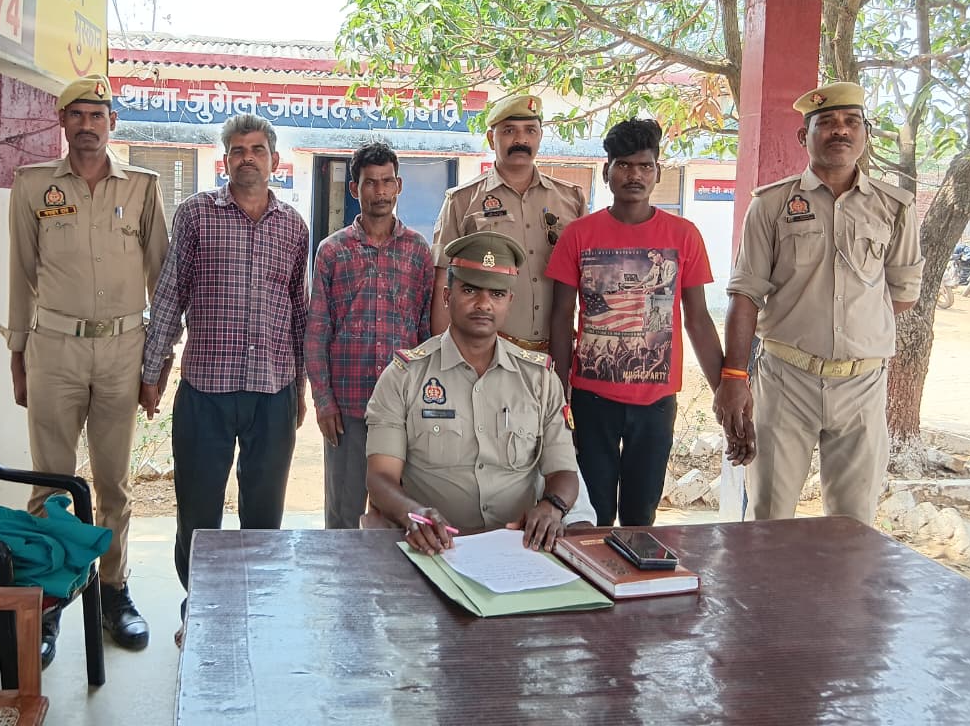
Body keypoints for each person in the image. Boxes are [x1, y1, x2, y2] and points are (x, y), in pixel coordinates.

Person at [4, 73, 167, 663]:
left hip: (124, 350)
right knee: (50, 484)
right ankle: (48, 601)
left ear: (112, 123)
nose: (87, 125)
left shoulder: (143, 188)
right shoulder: (33, 187)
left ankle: (114, 593)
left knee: (114, 484)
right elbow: (21, 274)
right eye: (77, 114)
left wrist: (157, 363)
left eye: (98, 115)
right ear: (62, 121)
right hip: (54, 350)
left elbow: (162, 279)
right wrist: (17, 354)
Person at [714, 82, 923, 525]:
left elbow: (901, 295)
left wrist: (852, 330)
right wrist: (733, 377)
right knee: (769, 518)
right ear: (803, 136)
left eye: (851, 122)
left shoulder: (894, 208)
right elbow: (745, 294)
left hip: (862, 385)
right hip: (786, 379)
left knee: (853, 526)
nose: (840, 131)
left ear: (865, 133)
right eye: (826, 122)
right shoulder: (771, 205)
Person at [139, 113, 309, 632]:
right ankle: (200, 610)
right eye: (238, 150)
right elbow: (170, 293)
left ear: (274, 160)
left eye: (257, 150)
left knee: (264, 514)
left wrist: (300, 387)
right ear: (225, 159)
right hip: (205, 390)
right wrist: (153, 369)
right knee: (198, 512)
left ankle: (256, 612)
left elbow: (298, 310)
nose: (248, 158)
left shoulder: (293, 226)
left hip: (272, 390)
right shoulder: (196, 215)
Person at [365, 231, 595, 556]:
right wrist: (413, 514)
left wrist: (552, 507)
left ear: (509, 301)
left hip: (521, 547)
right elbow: (380, 478)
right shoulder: (404, 377)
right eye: (470, 290)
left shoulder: (539, 379)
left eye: (497, 294)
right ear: (447, 296)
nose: (484, 304)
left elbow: (564, 471)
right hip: (435, 547)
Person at [546, 118, 723, 527]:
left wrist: (724, 389)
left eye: (645, 166)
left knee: (641, 515)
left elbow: (698, 320)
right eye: (624, 165)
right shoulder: (578, 235)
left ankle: (636, 571)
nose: (635, 175)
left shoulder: (684, 236)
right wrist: (558, 394)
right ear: (606, 171)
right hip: (592, 401)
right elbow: (560, 319)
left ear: (657, 172)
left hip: (656, 403)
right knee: (593, 514)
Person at [304, 142, 433, 529]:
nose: (380, 191)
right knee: (343, 517)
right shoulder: (332, 251)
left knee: (401, 517)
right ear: (354, 188)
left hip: (404, 409)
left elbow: (426, 331)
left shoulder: (418, 251)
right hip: (348, 407)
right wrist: (323, 401)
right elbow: (317, 332)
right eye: (370, 183)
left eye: (387, 182)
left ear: (399, 186)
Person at [430, 94, 586, 351]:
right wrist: (442, 356)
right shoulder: (462, 200)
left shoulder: (571, 199)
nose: (520, 140)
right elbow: (443, 284)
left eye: (530, 130)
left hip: (556, 352)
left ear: (540, 136)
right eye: (509, 130)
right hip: (489, 353)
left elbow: (587, 282)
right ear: (492, 139)